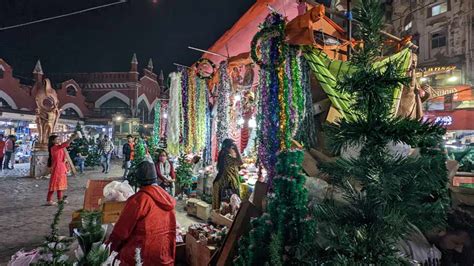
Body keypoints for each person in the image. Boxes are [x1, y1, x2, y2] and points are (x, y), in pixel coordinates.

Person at [107, 159, 176, 266]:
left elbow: (121, 232)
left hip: (142, 256)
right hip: (165, 254)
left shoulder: (138, 200)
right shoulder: (167, 198)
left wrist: (107, 248)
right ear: (156, 178)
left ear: (138, 180)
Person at [47, 133, 78, 206]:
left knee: (60, 184)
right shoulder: (54, 148)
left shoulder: (58, 147)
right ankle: (49, 200)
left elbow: (64, 153)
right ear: (52, 141)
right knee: (54, 184)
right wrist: (72, 138)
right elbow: (65, 144)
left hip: (61, 167)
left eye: (58, 139)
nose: (59, 140)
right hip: (57, 168)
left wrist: (66, 167)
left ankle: (60, 199)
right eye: (57, 139)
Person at [212, 139, 243, 210]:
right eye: (233, 148)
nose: (234, 150)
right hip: (226, 184)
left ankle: (218, 218)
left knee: (220, 207)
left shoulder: (222, 154)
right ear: (228, 147)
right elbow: (240, 162)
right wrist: (237, 150)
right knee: (228, 207)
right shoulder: (226, 156)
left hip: (220, 182)